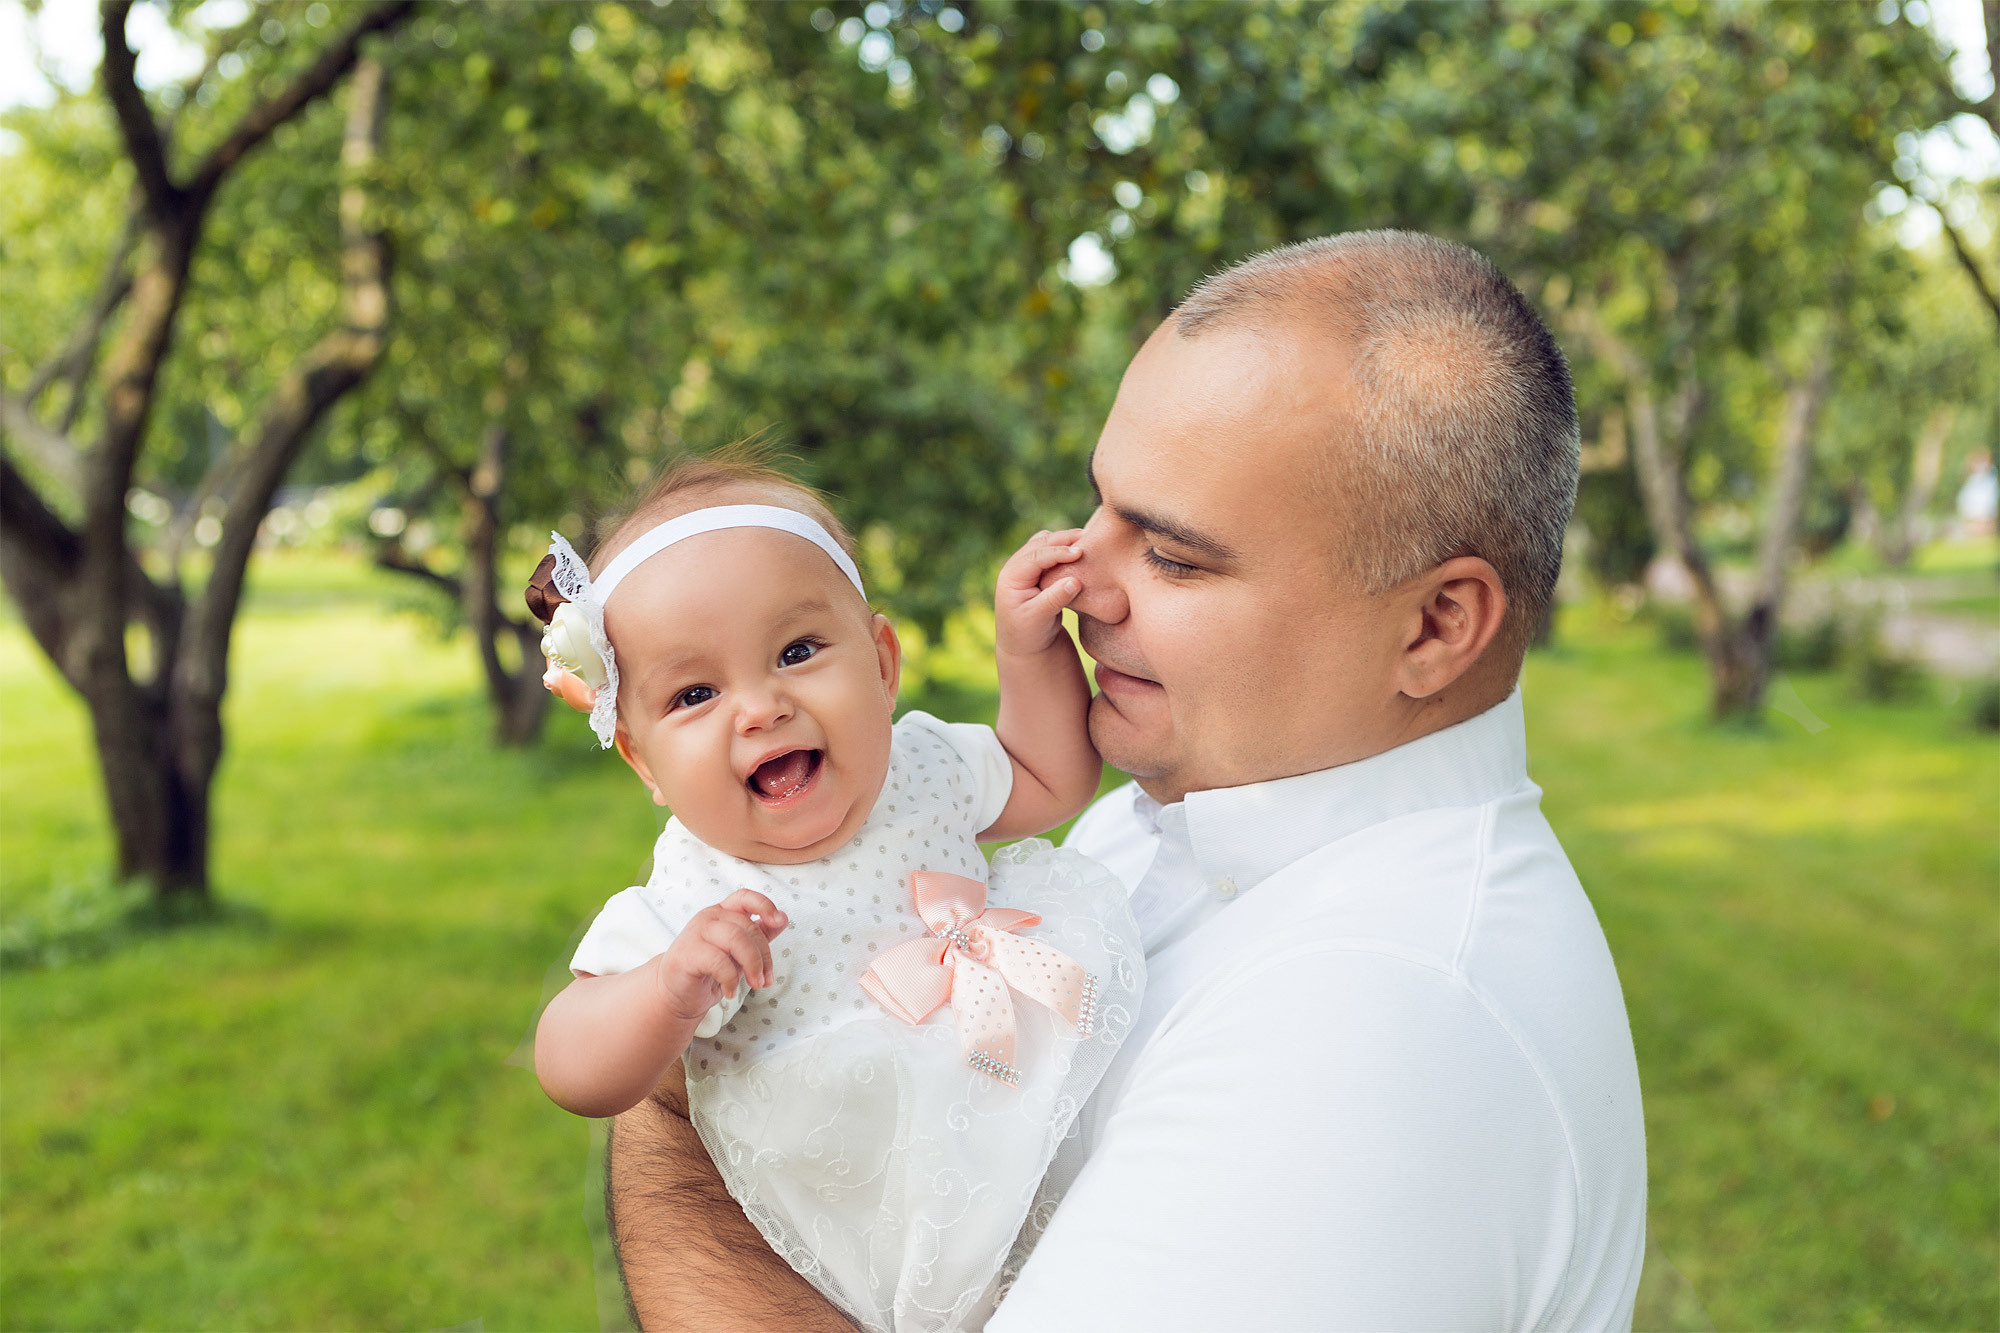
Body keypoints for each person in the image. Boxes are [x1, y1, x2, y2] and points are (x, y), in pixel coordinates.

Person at [607, 231, 1649, 1330]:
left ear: (1434, 627)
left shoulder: (1370, 1034)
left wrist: (672, 1115)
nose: (1079, 581)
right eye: (1098, 506)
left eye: (1174, 555)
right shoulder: (1154, 828)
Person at [527, 455, 1146, 1333]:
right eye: (696, 693)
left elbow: (1050, 775)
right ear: (644, 763)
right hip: (849, 1210)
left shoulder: (924, 766)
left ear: (883, 665)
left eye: (797, 651)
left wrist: (1026, 648)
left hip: (1012, 1086)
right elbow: (569, 1061)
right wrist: (666, 988)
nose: (761, 707)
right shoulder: (692, 894)